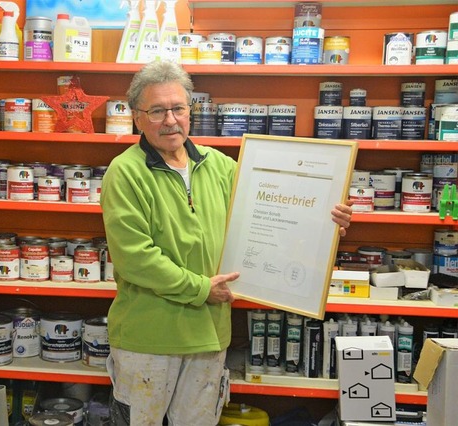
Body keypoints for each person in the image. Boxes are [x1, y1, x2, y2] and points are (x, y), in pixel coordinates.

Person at [99, 60, 352, 426]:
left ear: (190, 111)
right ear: (137, 117)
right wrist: (202, 289)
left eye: (178, 108)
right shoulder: (125, 173)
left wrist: (324, 225)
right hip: (147, 341)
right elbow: (135, 259)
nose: (170, 120)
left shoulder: (221, 166)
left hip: (209, 336)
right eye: (157, 110)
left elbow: (269, 219)